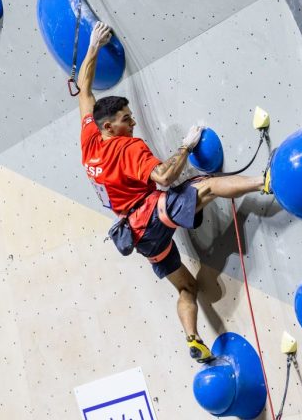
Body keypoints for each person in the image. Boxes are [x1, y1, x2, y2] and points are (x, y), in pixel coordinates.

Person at [78, 22, 270, 363]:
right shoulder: (126, 148)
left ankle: (193, 338)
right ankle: (265, 182)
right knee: (204, 186)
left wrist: (93, 47)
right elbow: (164, 176)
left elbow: (84, 91)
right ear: (110, 127)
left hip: (139, 239)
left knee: (186, 287)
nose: (133, 122)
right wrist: (185, 146)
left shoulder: (90, 142)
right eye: (126, 118)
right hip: (151, 217)